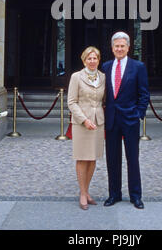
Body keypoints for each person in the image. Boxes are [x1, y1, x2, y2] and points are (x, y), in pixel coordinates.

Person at [102, 32, 150, 209]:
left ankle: (135, 196)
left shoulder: (138, 67)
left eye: (122, 46)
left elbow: (144, 94)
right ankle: (114, 194)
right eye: (116, 46)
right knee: (112, 159)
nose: (119, 49)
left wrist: (138, 113)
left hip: (130, 119)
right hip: (112, 120)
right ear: (112, 48)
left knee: (132, 158)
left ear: (128, 47)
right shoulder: (106, 67)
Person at [67, 46, 105, 210]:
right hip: (82, 123)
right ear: (84, 60)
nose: (92, 61)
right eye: (89, 58)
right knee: (82, 158)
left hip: (98, 122)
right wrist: (84, 120)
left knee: (93, 158)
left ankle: (87, 190)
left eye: (95, 58)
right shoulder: (76, 77)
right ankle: (82, 193)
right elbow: (71, 102)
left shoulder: (103, 77)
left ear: (98, 60)